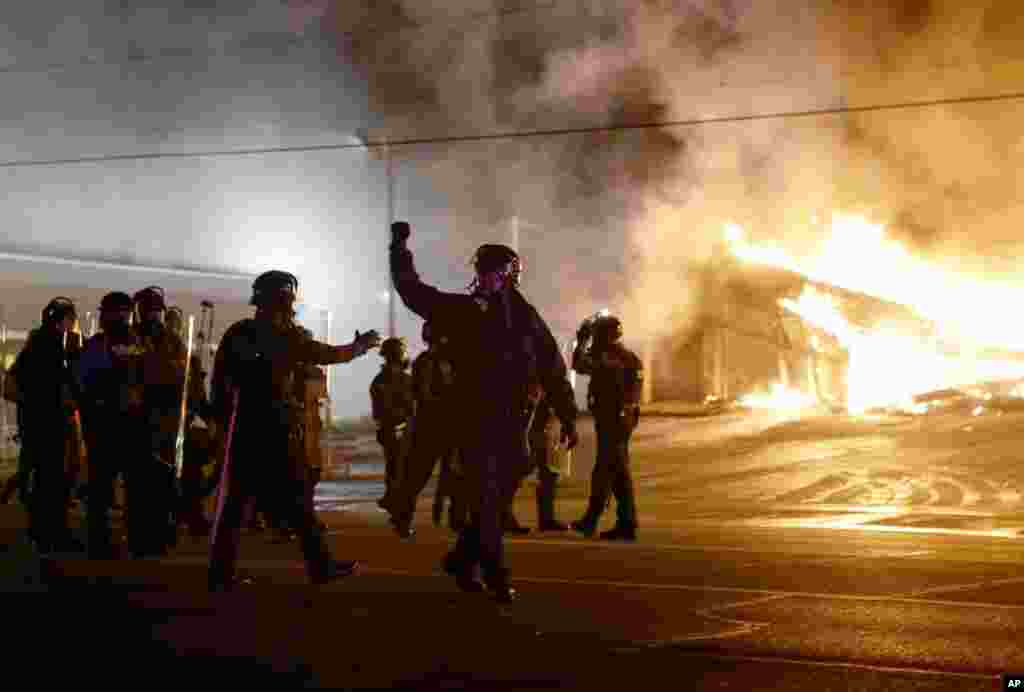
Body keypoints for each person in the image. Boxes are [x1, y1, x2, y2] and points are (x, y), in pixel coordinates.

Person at [389, 221, 578, 602]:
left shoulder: (526, 317)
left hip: (513, 423)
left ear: (509, 275)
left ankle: (462, 558)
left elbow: (552, 366)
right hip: (472, 420)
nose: (487, 278)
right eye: (483, 271)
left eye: (495, 271)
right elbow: (413, 292)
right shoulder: (462, 310)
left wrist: (568, 415)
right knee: (488, 499)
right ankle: (494, 573)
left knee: (503, 488)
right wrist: (400, 250)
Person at [207, 270, 381, 592]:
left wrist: (220, 421)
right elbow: (329, 354)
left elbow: (219, 383)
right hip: (278, 428)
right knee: (298, 501)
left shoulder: (239, 333)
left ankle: (221, 573)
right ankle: (320, 564)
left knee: (234, 504)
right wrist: (361, 346)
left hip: (244, 426)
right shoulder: (288, 336)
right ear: (287, 301)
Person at [8, 297, 83, 552]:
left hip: (40, 424)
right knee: (51, 481)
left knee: (45, 479)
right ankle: (50, 533)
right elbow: (13, 386)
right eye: (71, 320)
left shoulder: (40, 345)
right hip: (47, 426)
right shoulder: (48, 347)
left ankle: (45, 531)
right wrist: (41, 406)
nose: (73, 326)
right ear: (62, 321)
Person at [76, 291, 147, 559]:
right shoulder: (101, 345)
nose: (119, 318)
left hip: (123, 424)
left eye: (122, 313)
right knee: (104, 487)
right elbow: (82, 383)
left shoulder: (134, 343)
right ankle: (103, 539)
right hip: (107, 424)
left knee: (121, 486)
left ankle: (116, 538)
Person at [386, 320, 467, 538]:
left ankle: (407, 518)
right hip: (437, 425)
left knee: (426, 476)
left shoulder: (427, 361)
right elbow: (430, 395)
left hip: (432, 425)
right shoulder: (441, 362)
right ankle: (453, 519)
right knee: (436, 475)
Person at [570, 313, 643, 541]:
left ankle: (592, 519)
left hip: (613, 420)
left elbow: (580, 365)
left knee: (604, 470)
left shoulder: (608, 357)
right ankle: (626, 523)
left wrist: (581, 341)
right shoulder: (628, 356)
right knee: (618, 471)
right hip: (623, 419)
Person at [133, 286, 187, 557]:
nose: (152, 314)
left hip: (165, 419)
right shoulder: (131, 337)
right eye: (149, 309)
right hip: (138, 419)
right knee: (140, 481)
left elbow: (184, 378)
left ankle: (163, 532)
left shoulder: (171, 341)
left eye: (155, 309)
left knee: (163, 480)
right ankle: (143, 535)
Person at [505, 394, 569, 532]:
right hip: (533, 418)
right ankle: (504, 515)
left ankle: (546, 518)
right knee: (520, 468)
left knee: (547, 471)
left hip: (543, 418)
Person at [370, 336, 414, 533]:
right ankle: (399, 514)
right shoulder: (403, 379)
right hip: (402, 430)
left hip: (388, 430)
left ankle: (393, 505)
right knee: (403, 474)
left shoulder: (379, 380)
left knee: (394, 469)